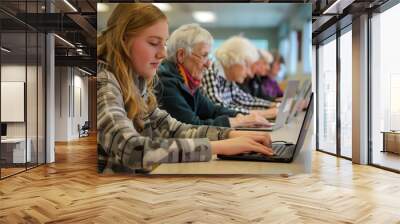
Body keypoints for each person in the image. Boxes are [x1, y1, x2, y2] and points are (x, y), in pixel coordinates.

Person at [97, 3, 273, 174]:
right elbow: (132, 149)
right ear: (123, 40)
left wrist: (229, 136)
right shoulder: (103, 82)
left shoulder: (137, 83)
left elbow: (175, 130)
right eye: (153, 43)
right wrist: (218, 146)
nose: (163, 54)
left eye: (164, 43)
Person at [156, 23, 271, 128]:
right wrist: (239, 121)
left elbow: (213, 110)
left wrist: (240, 115)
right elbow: (191, 126)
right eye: (204, 55)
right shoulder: (166, 81)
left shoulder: (189, 82)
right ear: (181, 55)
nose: (208, 63)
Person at [201, 36, 278, 119]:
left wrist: (273, 105)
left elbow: (244, 99)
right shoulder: (211, 72)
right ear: (234, 60)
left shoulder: (228, 77)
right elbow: (219, 109)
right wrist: (264, 113)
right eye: (247, 65)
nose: (249, 72)